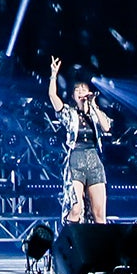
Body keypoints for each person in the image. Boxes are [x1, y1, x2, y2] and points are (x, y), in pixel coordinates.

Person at [48, 56, 113, 224]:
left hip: (94, 160)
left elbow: (106, 127)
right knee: (75, 208)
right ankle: (71, 237)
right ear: (73, 95)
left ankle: (98, 240)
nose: (81, 91)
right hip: (76, 159)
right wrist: (54, 75)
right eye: (77, 90)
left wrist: (94, 106)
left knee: (99, 213)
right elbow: (52, 96)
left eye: (84, 89)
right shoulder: (69, 113)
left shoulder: (95, 114)